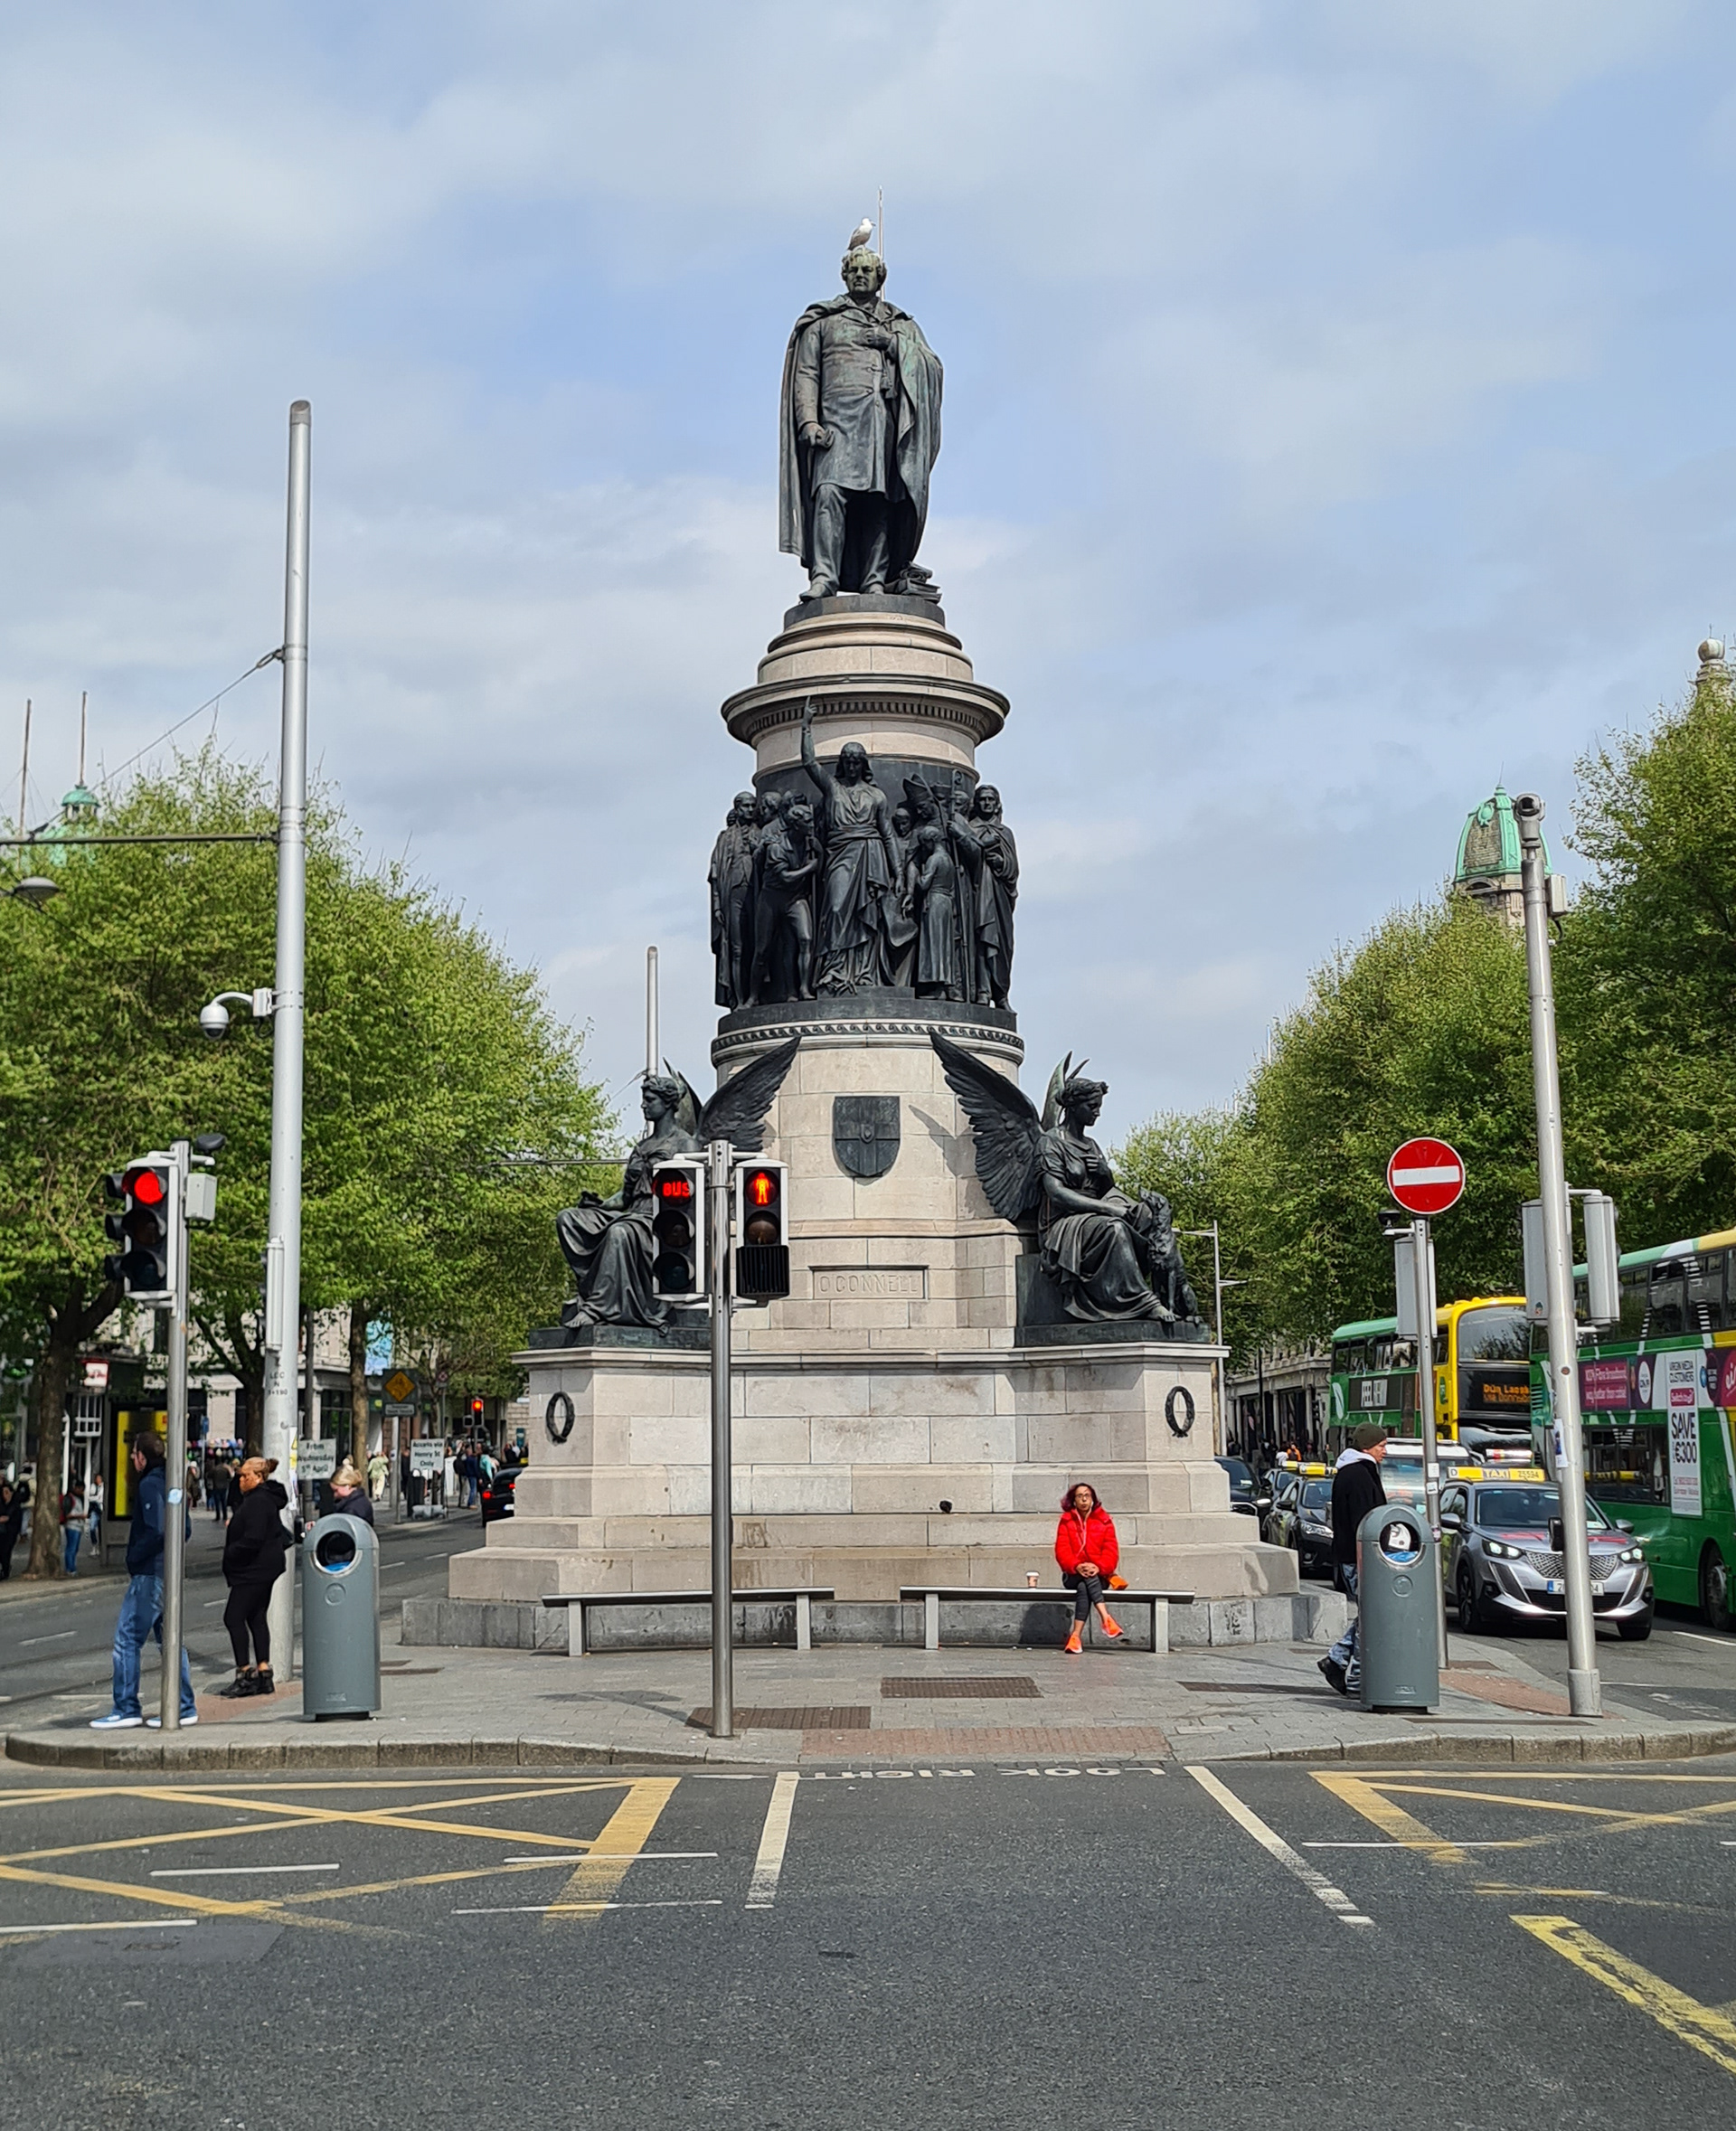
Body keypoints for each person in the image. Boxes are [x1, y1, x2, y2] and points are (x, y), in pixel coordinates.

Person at [90, 1433, 196, 1730]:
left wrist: (134, 1556)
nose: (132, 1459)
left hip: (149, 1573)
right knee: (171, 1641)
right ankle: (185, 1706)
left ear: (141, 1456)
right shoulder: (172, 1482)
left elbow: (157, 1529)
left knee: (126, 1640)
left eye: (134, 1453)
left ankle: (126, 1708)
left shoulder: (149, 1484)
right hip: (168, 1572)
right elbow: (183, 1528)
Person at [1319, 1423, 1389, 1698]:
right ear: (1367, 1446)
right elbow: (1365, 1522)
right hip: (1360, 1558)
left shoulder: (1355, 1471)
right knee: (1372, 1616)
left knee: (1368, 1614)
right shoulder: (1359, 1475)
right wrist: (1369, 1557)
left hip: (1354, 1556)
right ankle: (1358, 1677)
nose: (1385, 1451)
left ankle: (1337, 1660)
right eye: (1381, 1446)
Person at [217, 1455, 291, 1698]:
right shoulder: (262, 1498)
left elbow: (254, 1538)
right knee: (256, 1617)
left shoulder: (258, 1501)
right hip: (264, 1569)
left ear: (258, 1477)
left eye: (245, 1476)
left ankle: (245, 1673)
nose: (241, 1481)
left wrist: (231, 1553)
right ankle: (263, 1672)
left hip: (253, 1570)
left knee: (234, 1618)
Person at [1052, 1482, 1127, 1655]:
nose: (1084, 1499)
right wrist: (1077, 1566)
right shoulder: (1066, 1521)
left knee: (1084, 1587)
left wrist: (1098, 1567)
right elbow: (1062, 1551)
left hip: (1098, 1575)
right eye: (1080, 1496)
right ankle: (1105, 1617)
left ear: (1093, 1499)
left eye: (1087, 1495)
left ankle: (1075, 1637)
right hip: (1072, 1574)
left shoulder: (1105, 1521)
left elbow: (1111, 1552)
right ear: (1074, 1500)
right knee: (1084, 1581)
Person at [329, 1460, 374, 1527]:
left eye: (336, 1490)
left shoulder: (351, 1510)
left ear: (347, 1486)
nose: (335, 1495)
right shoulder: (360, 1500)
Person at [0, 1480, 21, 1580]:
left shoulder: (15, 1505)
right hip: (2, 1532)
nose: (5, 1495)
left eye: (7, 1492)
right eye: (4, 1493)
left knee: (5, 1552)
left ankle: (5, 1571)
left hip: (10, 1532)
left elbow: (12, 1518)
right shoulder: (2, 1504)